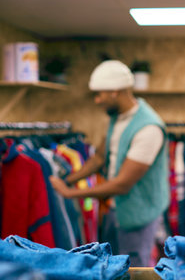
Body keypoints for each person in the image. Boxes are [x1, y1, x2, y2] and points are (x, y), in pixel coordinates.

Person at [50, 60, 169, 267]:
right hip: (116, 210)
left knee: (135, 273)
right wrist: (68, 180)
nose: (96, 100)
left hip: (138, 214)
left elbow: (122, 184)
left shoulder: (148, 129)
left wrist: (70, 193)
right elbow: (99, 157)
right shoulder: (119, 117)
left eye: (99, 94)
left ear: (115, 92)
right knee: (112, 269)